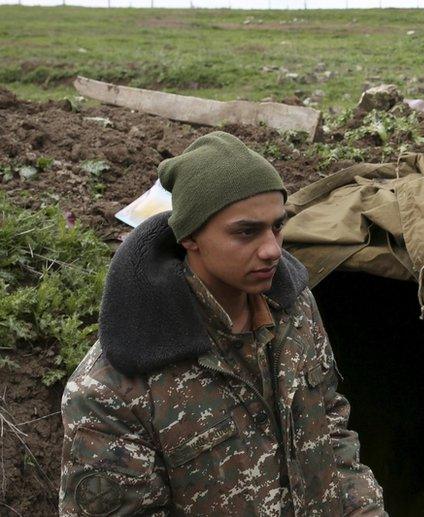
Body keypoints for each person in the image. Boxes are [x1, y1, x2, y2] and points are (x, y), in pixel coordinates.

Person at [59, 132, 384, 515]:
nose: (272, 250)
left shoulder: (294, 309)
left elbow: (330, 424)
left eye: (277, 226)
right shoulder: (111, 391)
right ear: (190, 237)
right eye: (245, 232)